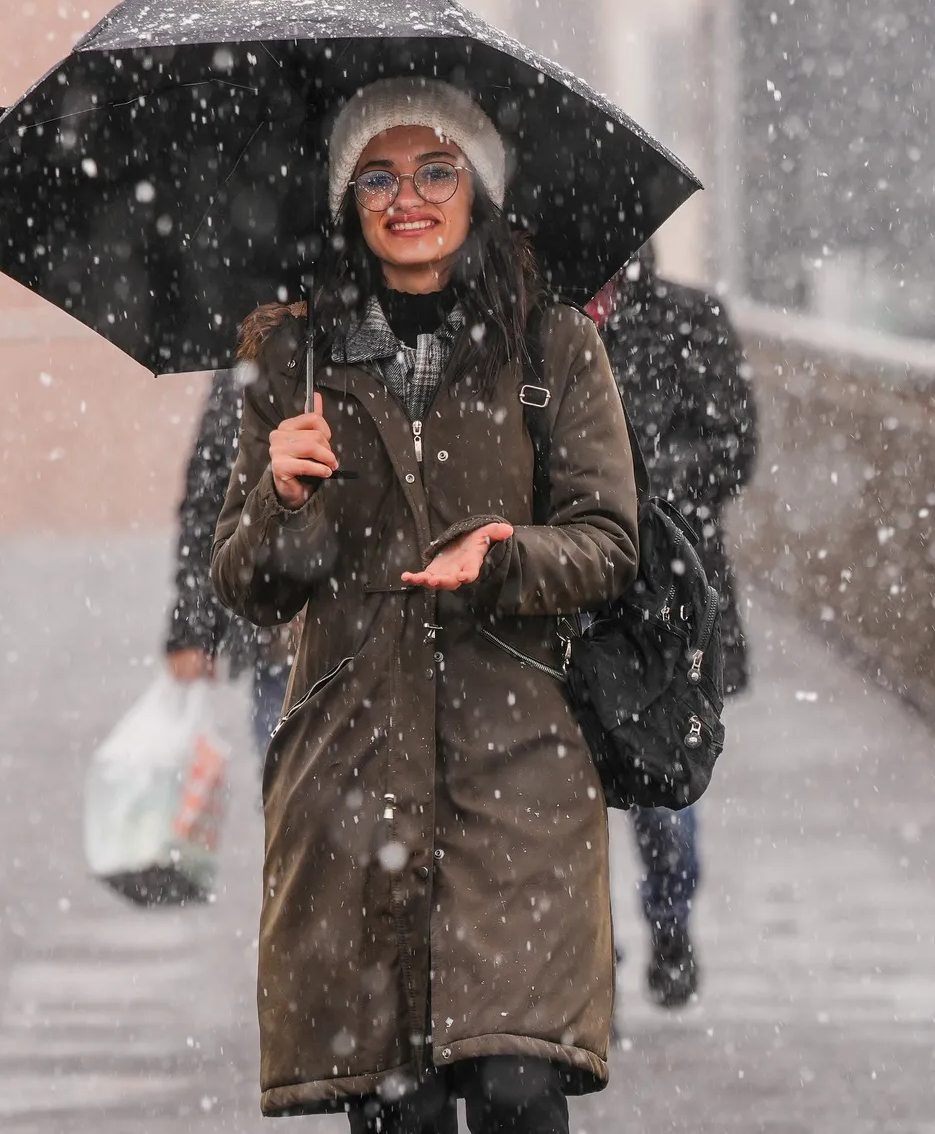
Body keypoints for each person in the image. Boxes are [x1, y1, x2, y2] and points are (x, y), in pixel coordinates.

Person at [213, 77, 640, 1133]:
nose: (409, 197)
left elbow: (608, 543)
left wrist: (505, 555)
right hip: (354, 772)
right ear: (348, 203)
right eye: (378, 176)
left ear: (478, 189)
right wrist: (281, 493)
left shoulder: (553, 348)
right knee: (395, 1107)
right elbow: (246, 580)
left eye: (436, 169)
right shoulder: (293, 360)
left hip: (521, 767)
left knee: (515, 1084)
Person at [586, 249, 757, 1008]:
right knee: (567, 798)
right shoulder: (536, 325)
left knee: (663, 789)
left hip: (667, 601)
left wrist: (646, 491)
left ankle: (669, 918)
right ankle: (591, 964)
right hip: (572, 598)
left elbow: (734, 449)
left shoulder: (689, 318)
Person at [164, 368, 295, 751]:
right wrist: (193, 627)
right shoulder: (248, 369)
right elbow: (209, 506)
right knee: (283, 794)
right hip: (278, 636)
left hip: (368, 639)